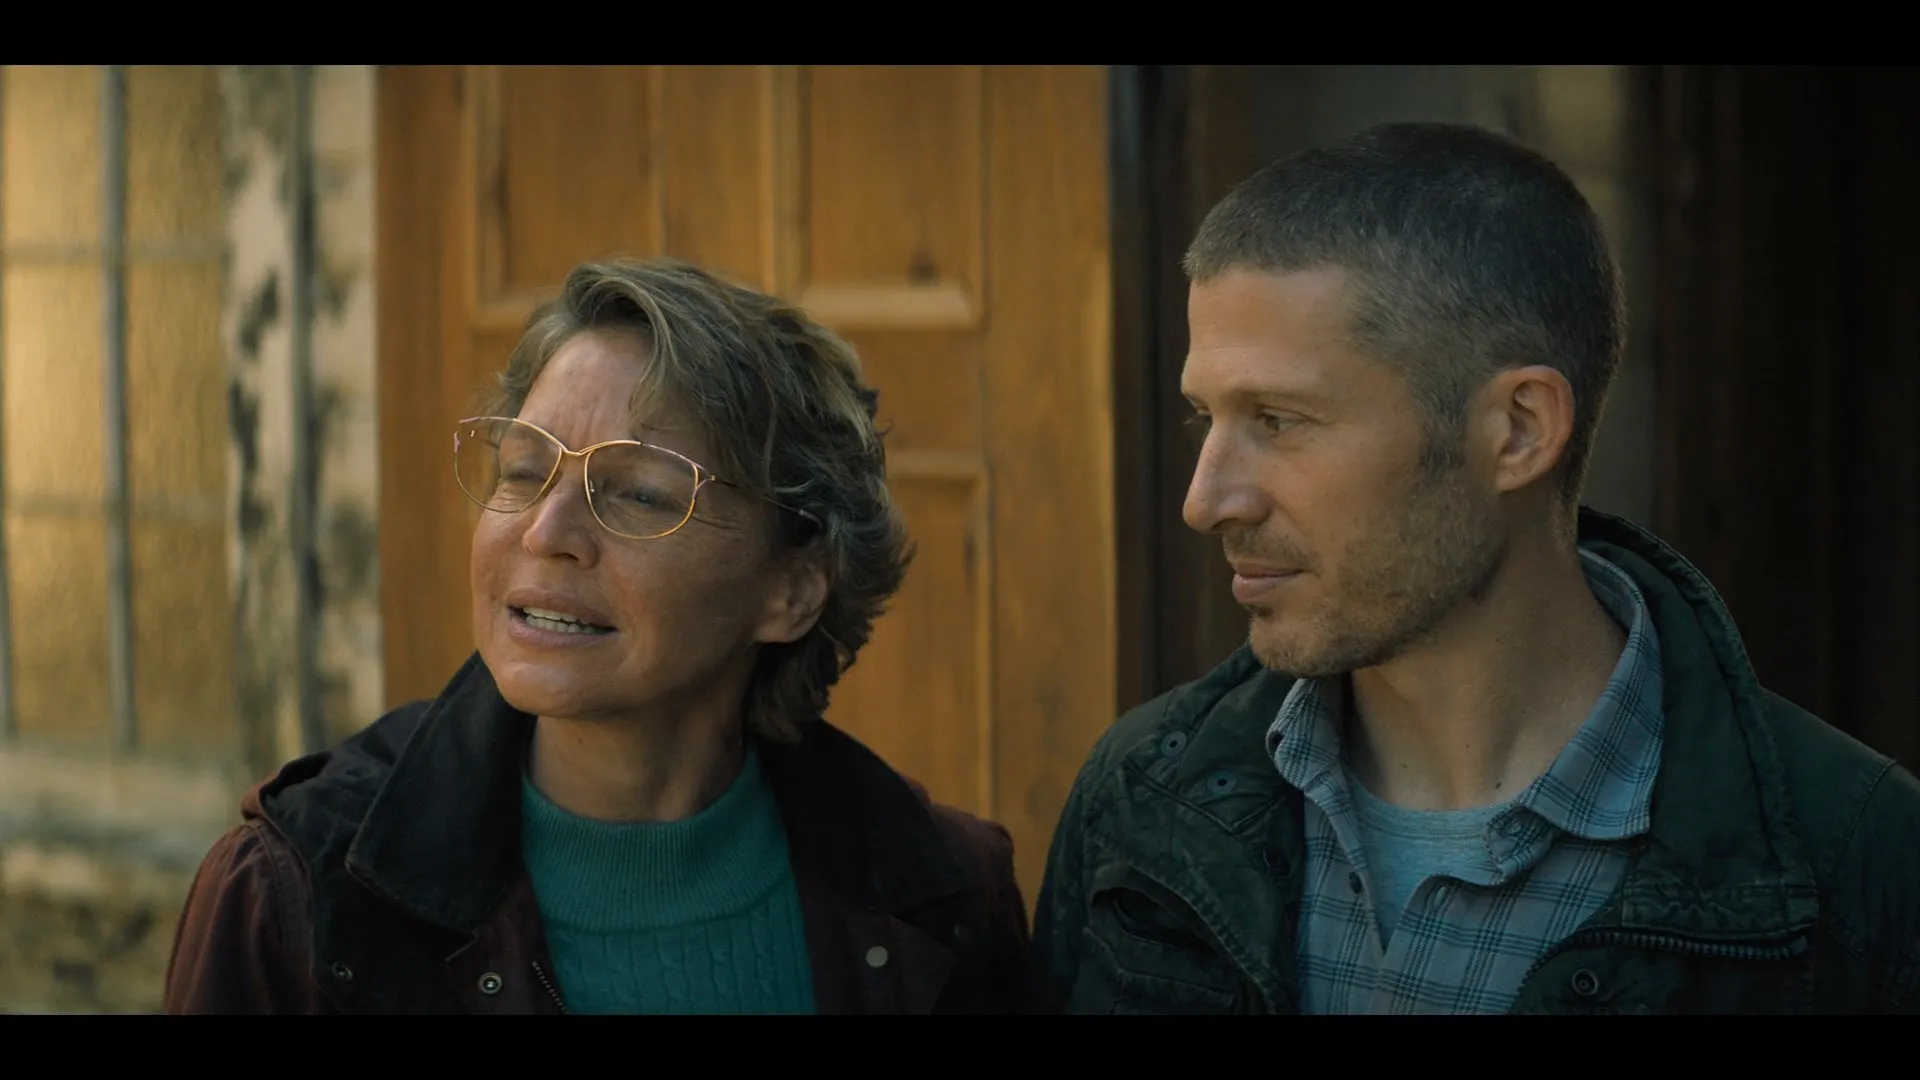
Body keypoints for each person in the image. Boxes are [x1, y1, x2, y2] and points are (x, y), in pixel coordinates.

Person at [1030, 122, 1920, 1015]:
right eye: (1205, 417)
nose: (1206, 500)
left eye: (1278, 419)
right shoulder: (1141, 798)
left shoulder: (1856, 862)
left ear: (1519, 430)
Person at [164, 257, 1029, 1014]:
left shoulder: (942, 900)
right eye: (524, 470)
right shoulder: (296, 895)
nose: (547, 533)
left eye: (642, 494)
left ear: (793, 589)